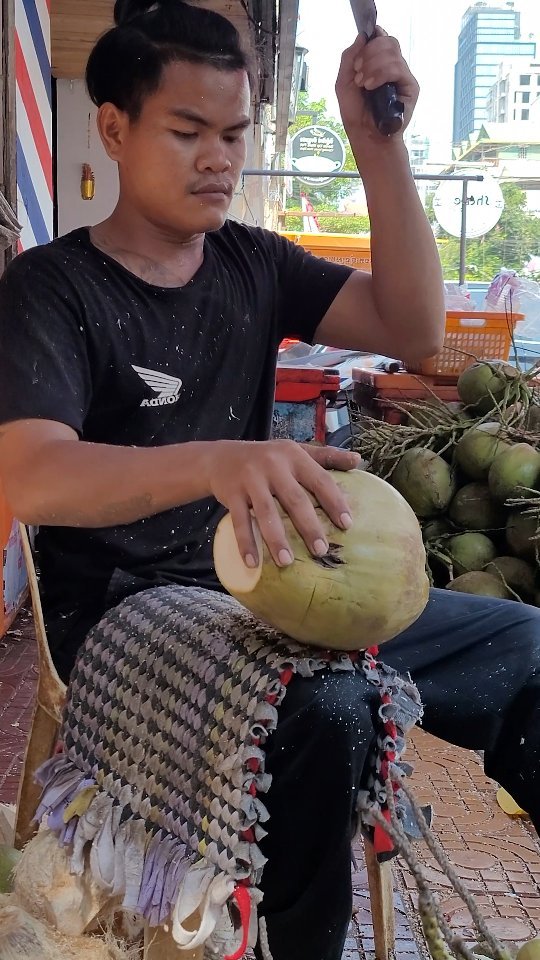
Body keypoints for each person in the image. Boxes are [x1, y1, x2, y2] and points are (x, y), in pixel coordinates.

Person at [0, 1, 538, 959]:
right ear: (115, 128)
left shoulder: (252, 263)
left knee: (529, 651)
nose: (220, 157)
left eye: (236, 133)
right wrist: (217, 461)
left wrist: (380, 148)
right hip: (125, 610)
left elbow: (416, 332)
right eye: (189, 130)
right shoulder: (53, 288)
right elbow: (34, 475)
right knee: (324, 710)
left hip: (274, 590)